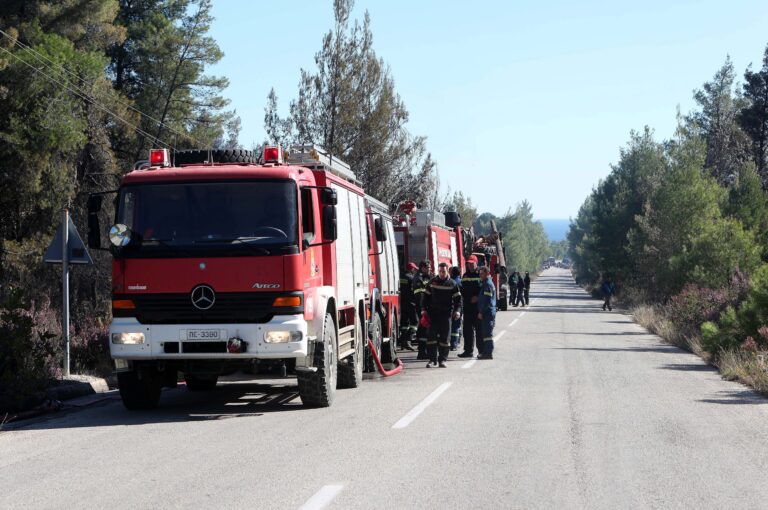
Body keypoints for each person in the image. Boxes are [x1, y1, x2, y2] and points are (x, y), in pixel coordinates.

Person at [423, 262, 462, 368]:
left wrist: (457, 311)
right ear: (437, 271)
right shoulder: (432, 282)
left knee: (445, 339)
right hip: (433, 314)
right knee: (431, 337)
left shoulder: (452, 284)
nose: (441, 273)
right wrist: (423, 310)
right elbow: (425, 297)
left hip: (446, 315)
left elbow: (458, 300)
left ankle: (442, 360)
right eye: (440, 271)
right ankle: (432, 360)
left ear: (447, 271)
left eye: (443, 271)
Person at [457, 255, 483, 358]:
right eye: (469, 264)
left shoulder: (481, 274)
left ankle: (481, 351)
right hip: (467, 307)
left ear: (476, 263)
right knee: (467, 330)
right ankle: (468, 351)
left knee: (479, 330)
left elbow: (485, 289)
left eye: (472, 263)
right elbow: (463, 290)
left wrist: (478, 297)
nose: (470, 265)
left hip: (478, 307)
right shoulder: (465, 275)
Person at [413, 260, 433, 359]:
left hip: (430, 308)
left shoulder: (430, 277)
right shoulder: (418, 279)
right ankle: (422, 352)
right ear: (423, 268)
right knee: (423, 330)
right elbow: (419, 295)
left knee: (427, 329)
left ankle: (427, 351)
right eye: (428, 267)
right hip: (423, 308)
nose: (430, 269)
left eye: (430, 267)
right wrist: (423, 308)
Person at [477, 266, 497, 360]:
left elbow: (487, 301)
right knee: (485, 333)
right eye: (480, 273)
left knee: (487, 334)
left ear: (487, 274)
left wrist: (481, 312)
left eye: (482, 273)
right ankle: (486, 352)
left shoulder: (488, 284)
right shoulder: (485, 283)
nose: (480, 275)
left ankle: (488, 353)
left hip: (487, 313)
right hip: (487, 312)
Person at [398, 262, 419, 351]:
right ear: (412, 269)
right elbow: (414, 290)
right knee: (415, 322)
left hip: (402, 303)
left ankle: (403, 342)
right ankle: (407, 340)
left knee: (404, 323)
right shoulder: (411, 278)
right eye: (414, 269)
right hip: (411, 303)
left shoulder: (400, 277)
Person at [449, 266, 463, 350]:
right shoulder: (460, 282)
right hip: (458, 307)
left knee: (451, 325)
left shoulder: (450, 282)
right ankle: (454, 344)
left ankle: (451, 342)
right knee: (456, 325)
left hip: (450, 306)